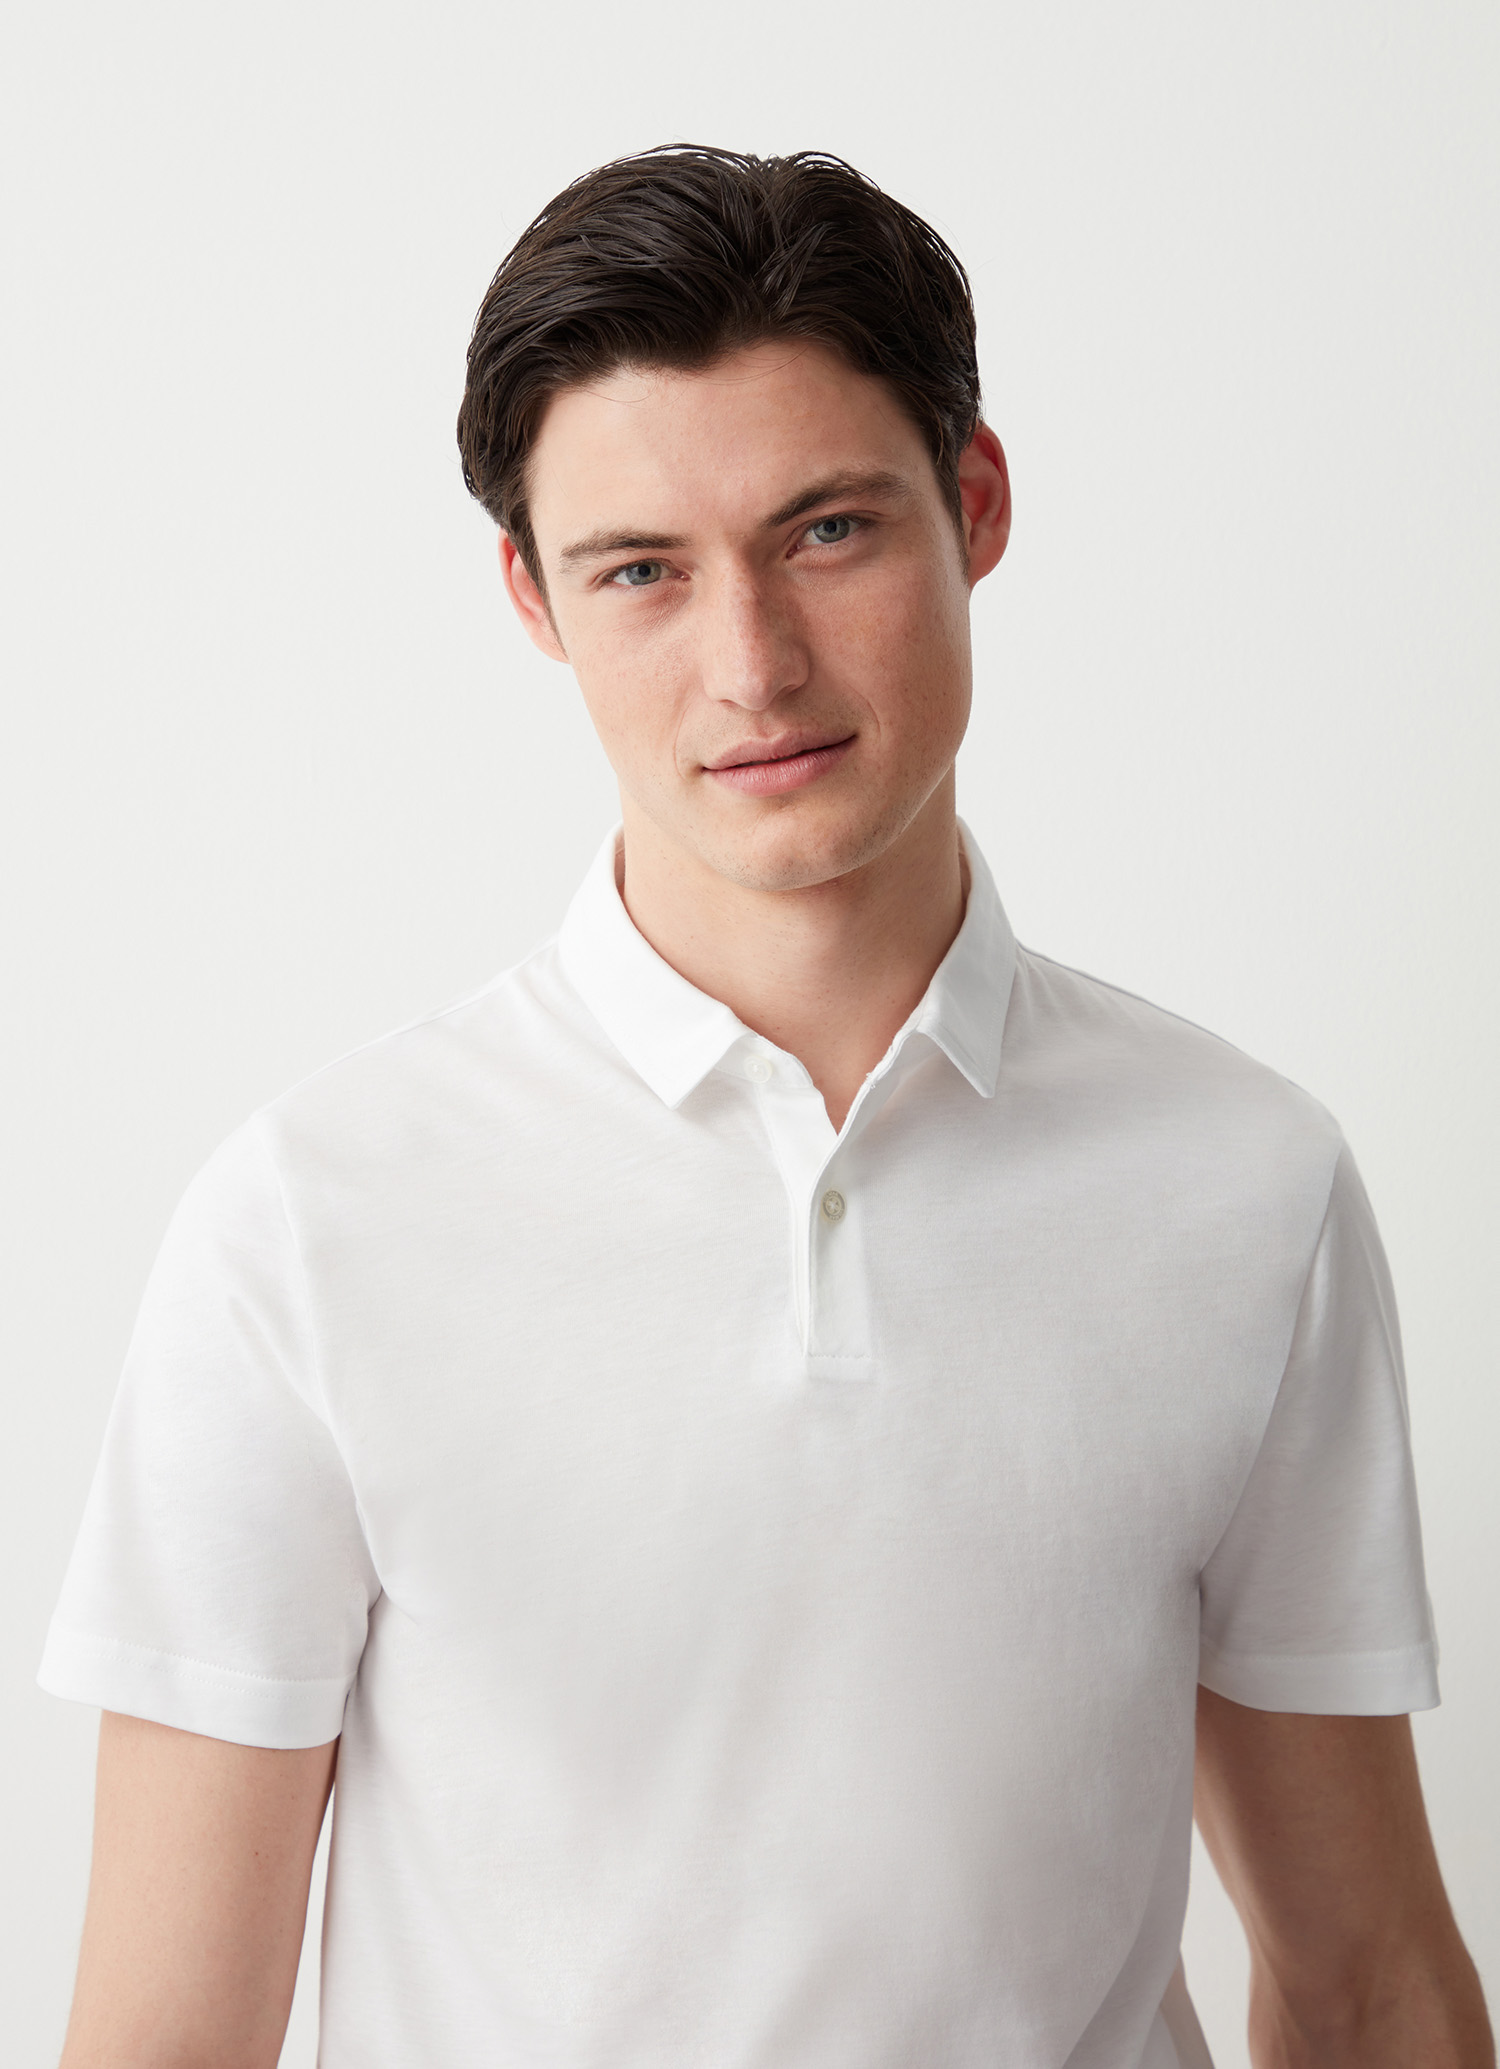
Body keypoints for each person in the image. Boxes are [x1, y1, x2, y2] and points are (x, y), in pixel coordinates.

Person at [40, 146, 1491, 2069]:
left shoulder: (1246, 1186)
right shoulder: (308, 1224)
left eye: (827, 531)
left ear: (976, 504)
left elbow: (1371, 1980)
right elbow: (162, 2042)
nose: (753, 666)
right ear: (535, 599)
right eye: (640, 569)